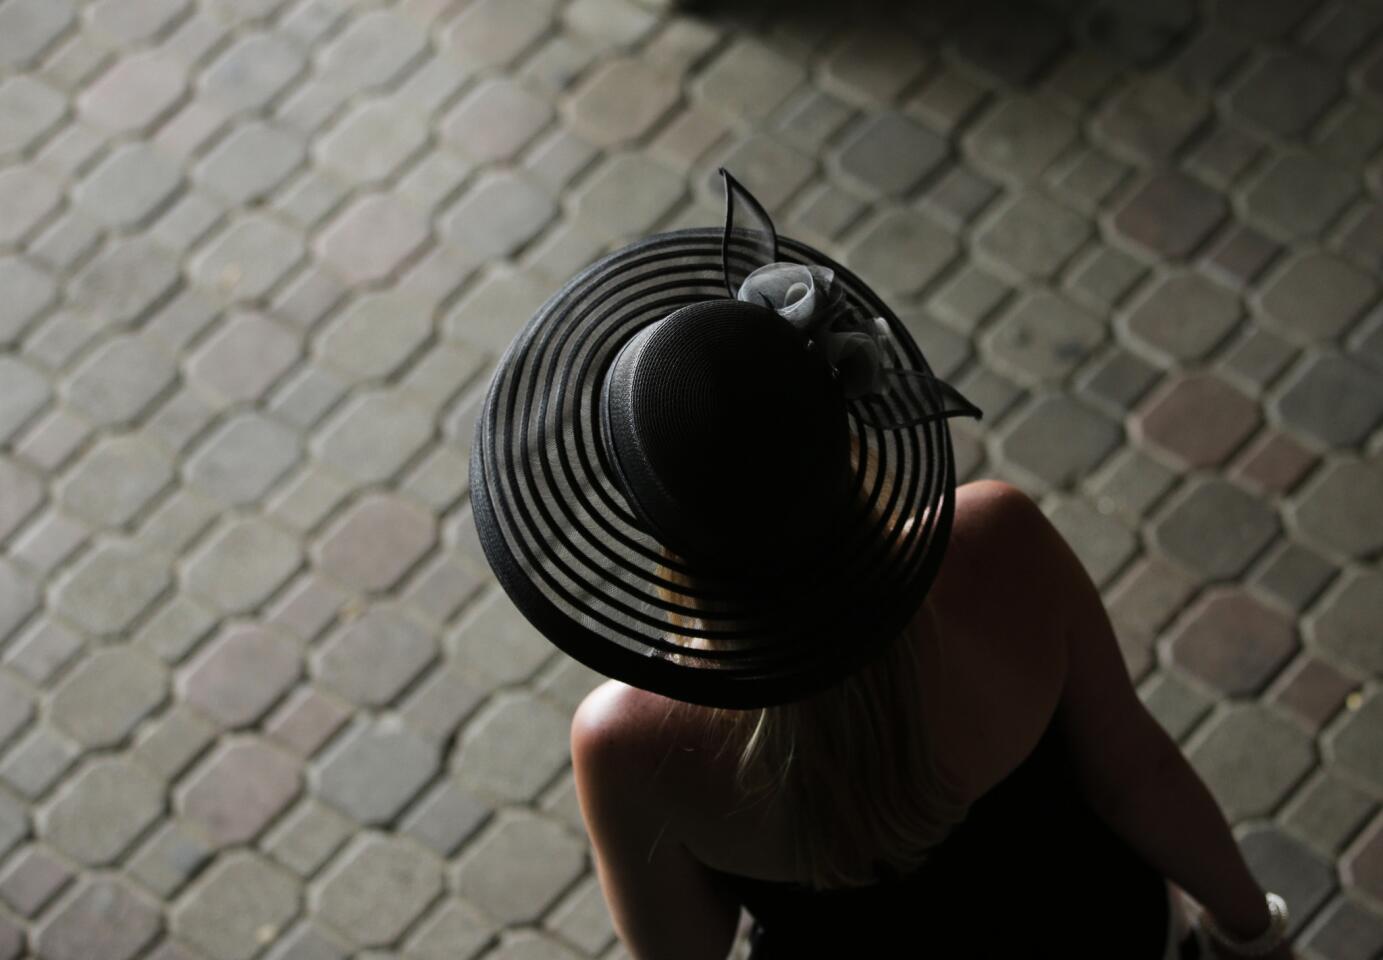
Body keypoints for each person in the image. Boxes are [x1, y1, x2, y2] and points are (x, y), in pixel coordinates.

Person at [468, 170, 1294, 959]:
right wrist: (1250, 932)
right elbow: (1136, 774)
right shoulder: (1000, 541)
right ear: (839, 425)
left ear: (656, 530)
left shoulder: (628, 743)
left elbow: (681, 950)